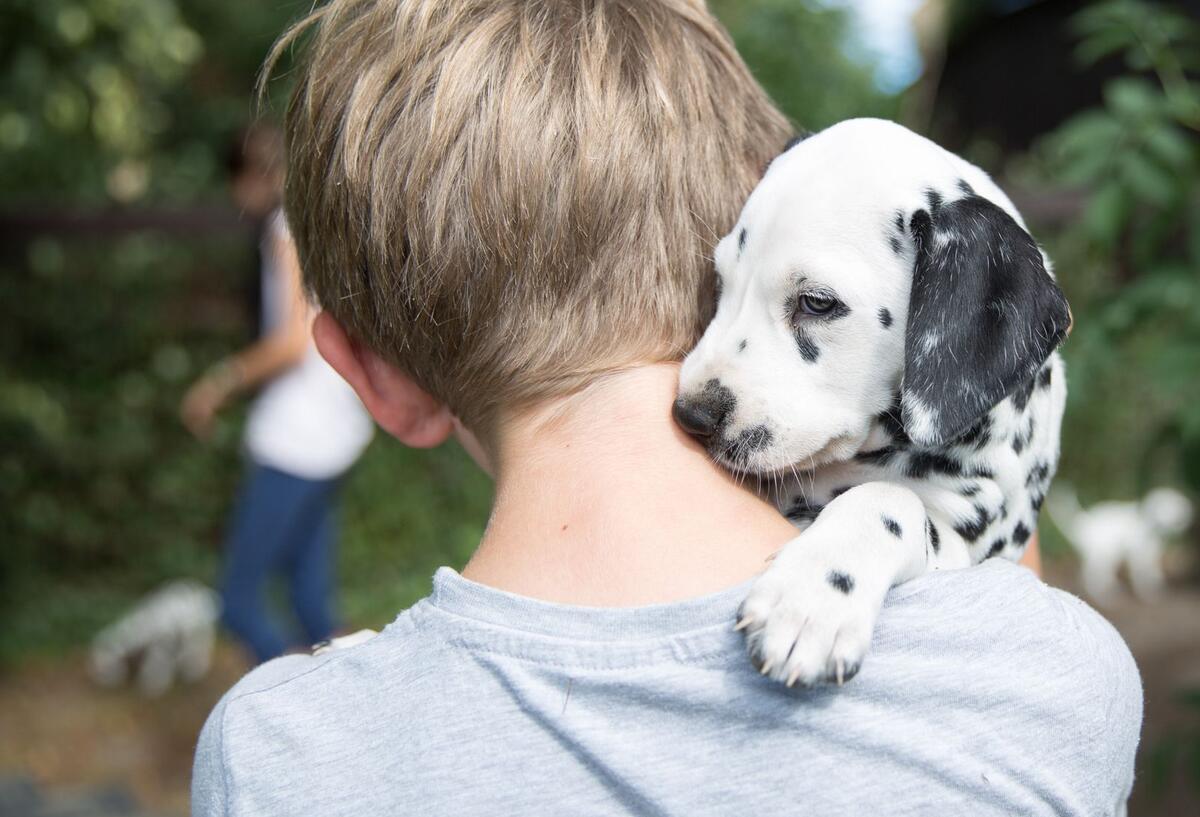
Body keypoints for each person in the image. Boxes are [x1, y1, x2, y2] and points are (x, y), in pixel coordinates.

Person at [193, 1, 1141, 814]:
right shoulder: (1056, 683)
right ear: (731, 225)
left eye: (809, 303)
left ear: (375, 378)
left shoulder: (282, 755)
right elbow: (1004, 569)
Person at [180, 123, 373, 663]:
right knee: (311, 601)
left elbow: (291, 340)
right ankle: (351, 714)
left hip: (297, 436)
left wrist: (218, 382)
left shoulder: (284, 229)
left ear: (249, 178)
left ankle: (299, 712)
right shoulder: (323, 224)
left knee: (238, 601)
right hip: (337, 429)